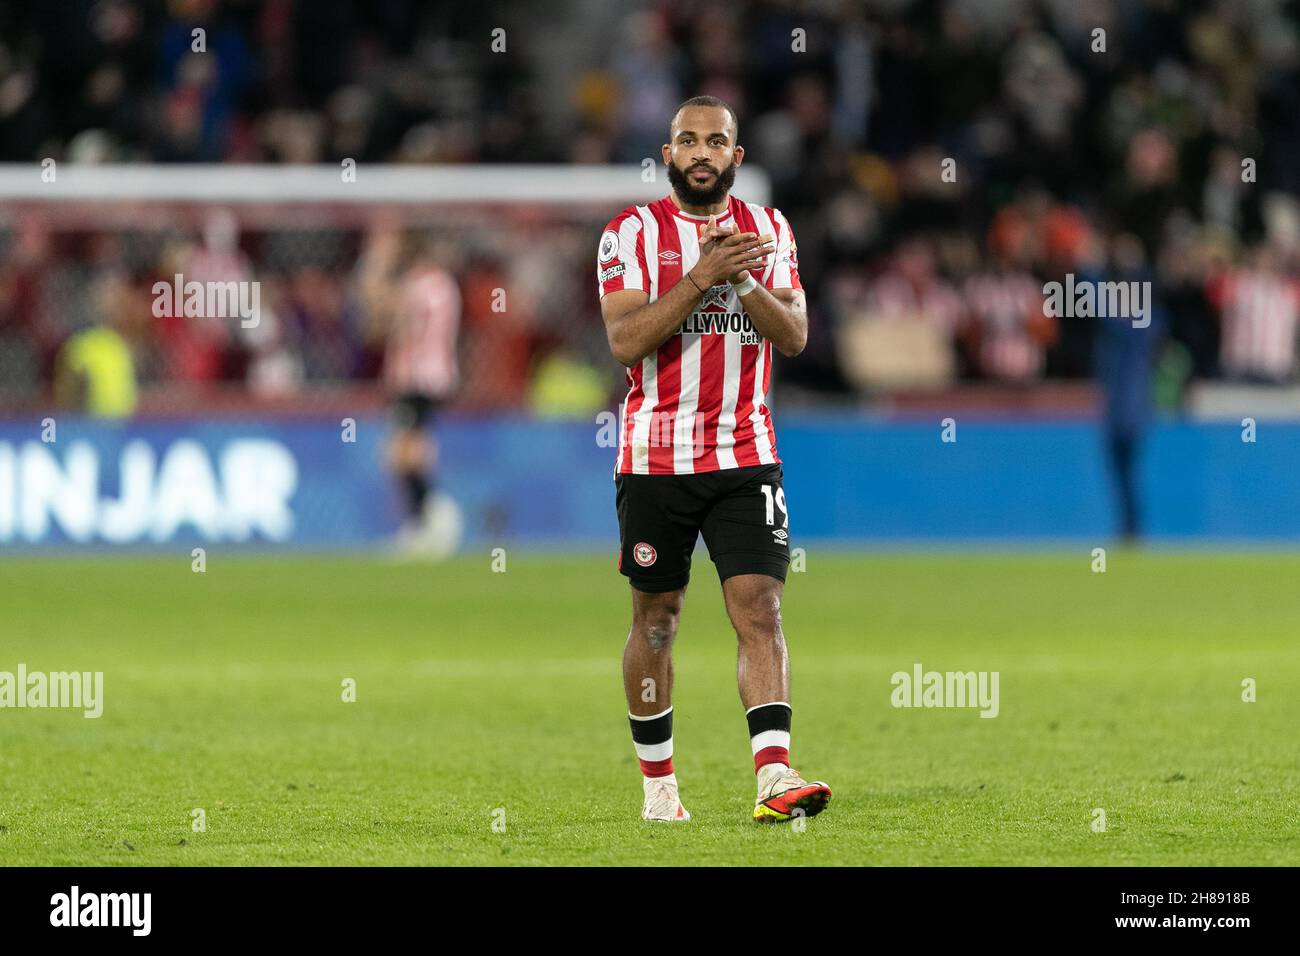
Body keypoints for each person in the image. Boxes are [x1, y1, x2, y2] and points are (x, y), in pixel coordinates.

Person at [597, 96, 831, 823]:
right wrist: (701, 276)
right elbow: (626, 340)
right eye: (688, 141)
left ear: (737, 156)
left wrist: (744, 279)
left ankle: (773, 774)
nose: (702, 152)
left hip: (745, 453)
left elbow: (793, 335)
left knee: (760, 607)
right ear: (668, 155)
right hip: (654, 457)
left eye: (717, 141)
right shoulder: (628, 235)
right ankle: (659, 786)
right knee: (658, 621)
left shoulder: (768, 229)